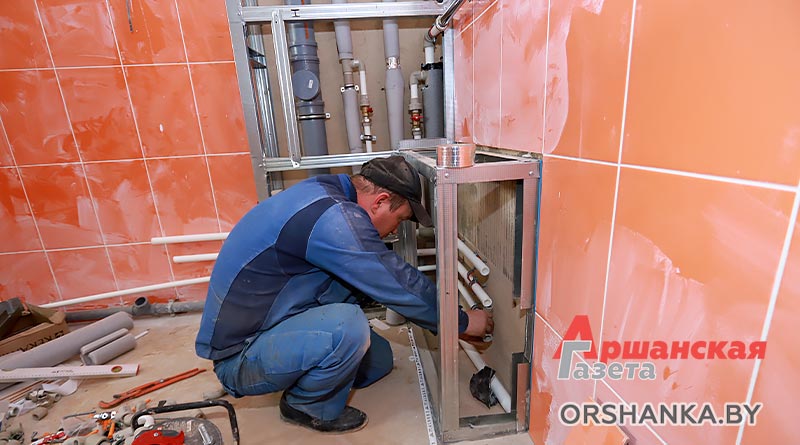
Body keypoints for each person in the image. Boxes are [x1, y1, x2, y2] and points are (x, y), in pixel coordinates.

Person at [195, 155, 493, 433]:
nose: (393, 231)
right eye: (399, 219)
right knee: (348, 327)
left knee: (378, 361)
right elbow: (394, 280)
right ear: (380, 201)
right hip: (240, 356)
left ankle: (306, 371)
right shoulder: (331, 217)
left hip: (271, 322)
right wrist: (460, 322)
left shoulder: (325, 192)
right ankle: (305, 405)